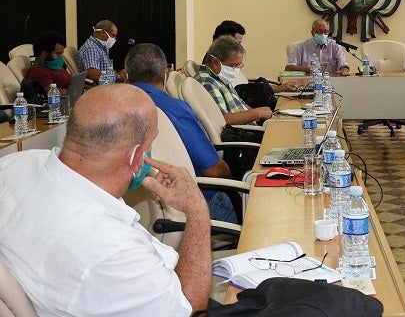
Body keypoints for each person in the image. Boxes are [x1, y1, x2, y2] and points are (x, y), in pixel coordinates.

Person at [0, 84, 211, 315]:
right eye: (150, 145)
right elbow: (191, 307)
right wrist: (197, 211)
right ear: (136, 156)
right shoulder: (112, 252)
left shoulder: (14, 163)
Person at [127, 43, 239, 224]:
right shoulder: (174, 109)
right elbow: (214, 170)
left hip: (137, 217)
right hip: (197, 203)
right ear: (165, 75)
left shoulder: (115, 108)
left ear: (126, 75)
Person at [195, 35, 273, 125]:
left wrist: (260, 115)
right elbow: (222, 120)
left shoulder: (220, 77)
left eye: (239, 66)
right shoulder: (208, 83)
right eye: (233, 66)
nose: (236, 70)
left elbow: (241, 105)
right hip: (240, 131)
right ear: (215, 62)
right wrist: (257, 114)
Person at [285, 19, 350, 75]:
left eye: (325, 32)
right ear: (312, 32)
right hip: (308, 81)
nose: (323, 34)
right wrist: (309, 69)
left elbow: (343, 64)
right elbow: (289, 67)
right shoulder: (302, 47)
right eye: (319, 32)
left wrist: (344, 70)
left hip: (331, 81)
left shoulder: (335, 45)